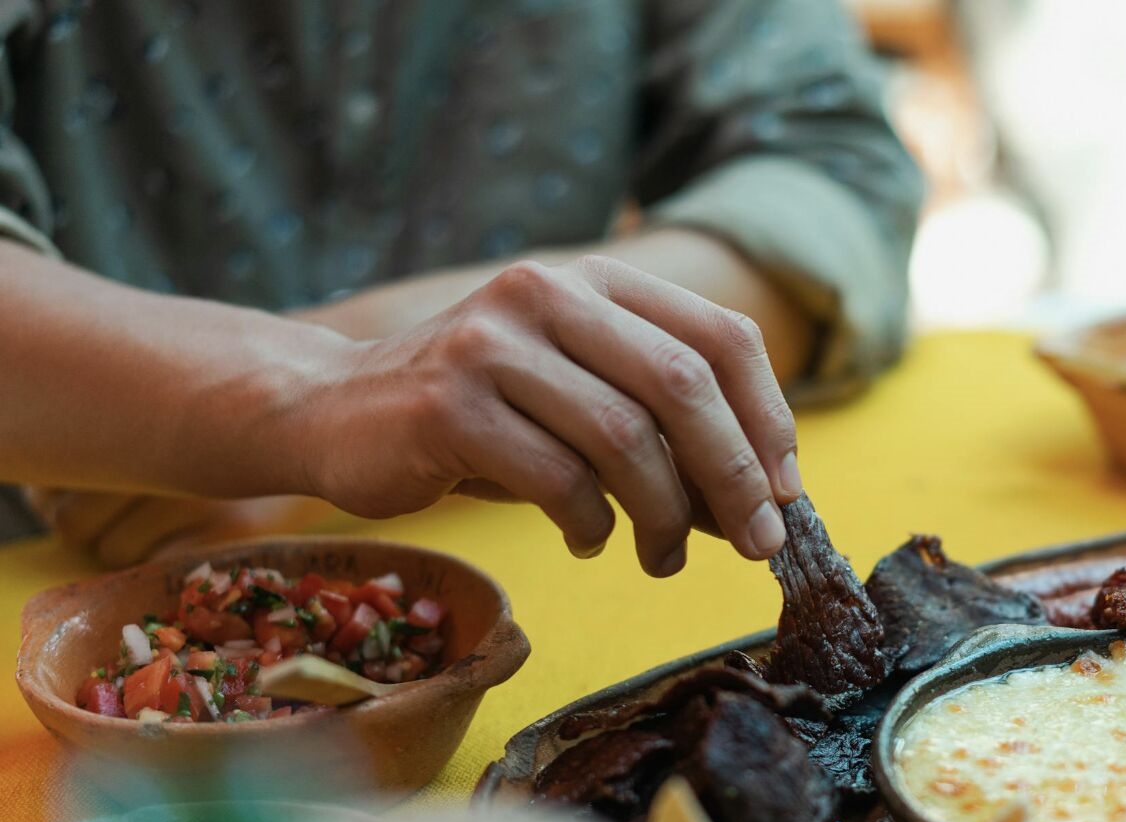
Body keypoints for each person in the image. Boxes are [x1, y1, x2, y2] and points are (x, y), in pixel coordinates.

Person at [0, 1, 921, 573]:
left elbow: (834, 167)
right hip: (59, 579)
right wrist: (301, 393)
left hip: (528, 569)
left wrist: (377, 366)